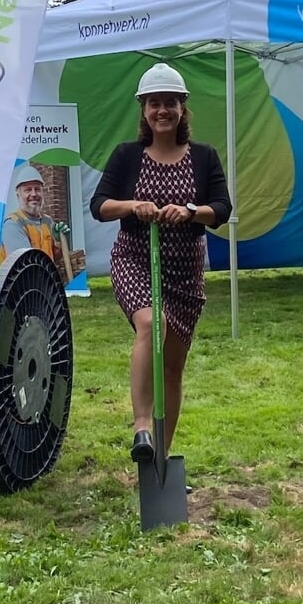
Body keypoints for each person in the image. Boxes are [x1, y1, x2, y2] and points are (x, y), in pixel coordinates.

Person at [90, 62, 232, 464]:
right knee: (152, 323)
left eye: (170, 103)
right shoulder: (127, 156)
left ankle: (161, 460)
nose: (162, 111)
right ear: (144, 110)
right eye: (154, 103)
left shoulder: (203, 157)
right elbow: (99, 205)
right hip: (136, 259)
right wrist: (134, 206)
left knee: (172, 368)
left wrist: (190, 211)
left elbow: (221, 208)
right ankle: (141, 429)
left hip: (185, 273)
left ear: (182, 108)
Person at [1, 164, 69, 278]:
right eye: (28, 190)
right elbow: (24, 265)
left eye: (37, 189)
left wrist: (58, 242)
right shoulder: (13, 224)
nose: (33, 194)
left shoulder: (48, 221)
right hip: (20, 288)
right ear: (18, 195)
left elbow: (53, 258)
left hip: (42, 285)